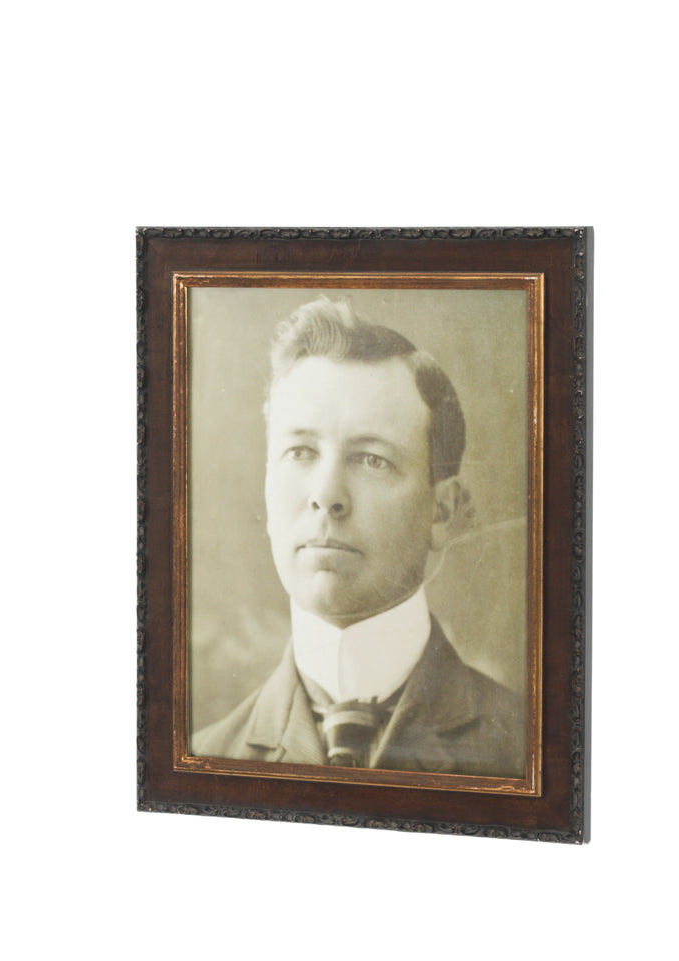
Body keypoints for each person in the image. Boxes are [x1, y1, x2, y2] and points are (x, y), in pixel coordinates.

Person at [191, 297, 525, 779]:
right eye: (300, 452)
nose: (326, 496)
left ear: (442, 510)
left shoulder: (527, 751)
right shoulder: (206, 759)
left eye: (372, 459)